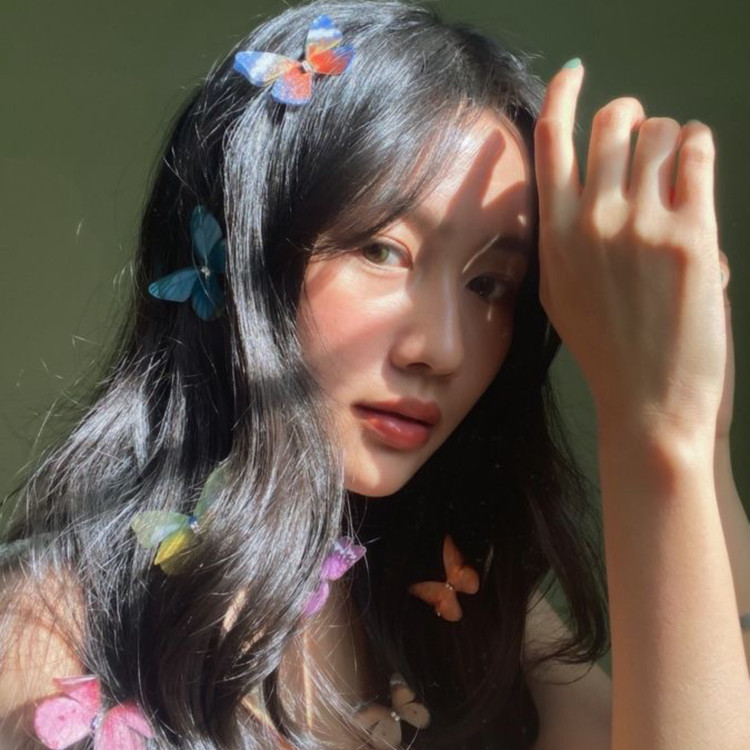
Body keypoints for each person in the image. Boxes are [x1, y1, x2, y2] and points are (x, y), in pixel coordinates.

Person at [0, 0, 748, 748]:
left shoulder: (456, 605)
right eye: (382, 250)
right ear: (244, 242)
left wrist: (691, 438)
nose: (441, 349)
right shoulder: (51, 632)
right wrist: (656, 437)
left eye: (490, 285)